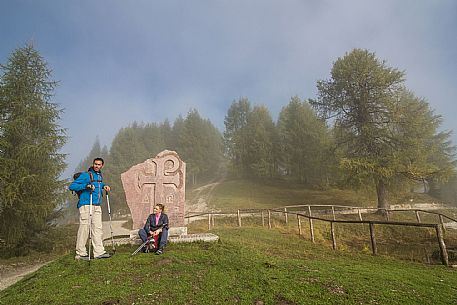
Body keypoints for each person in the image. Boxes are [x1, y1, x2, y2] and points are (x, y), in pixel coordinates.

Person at [69, 157, 112, 260]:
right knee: (84, 228)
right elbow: (72, 186)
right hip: (86, 205)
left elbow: (99, 184)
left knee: (97, 229)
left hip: (97, 205)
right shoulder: (86, 175)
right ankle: (80, 253)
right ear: (93, 164)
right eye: (95, 164)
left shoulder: (99, 176)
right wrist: (86, 186)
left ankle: (99, 252)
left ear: (102, 165)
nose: (97, 166)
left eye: (99, 164)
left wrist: (104, 186)